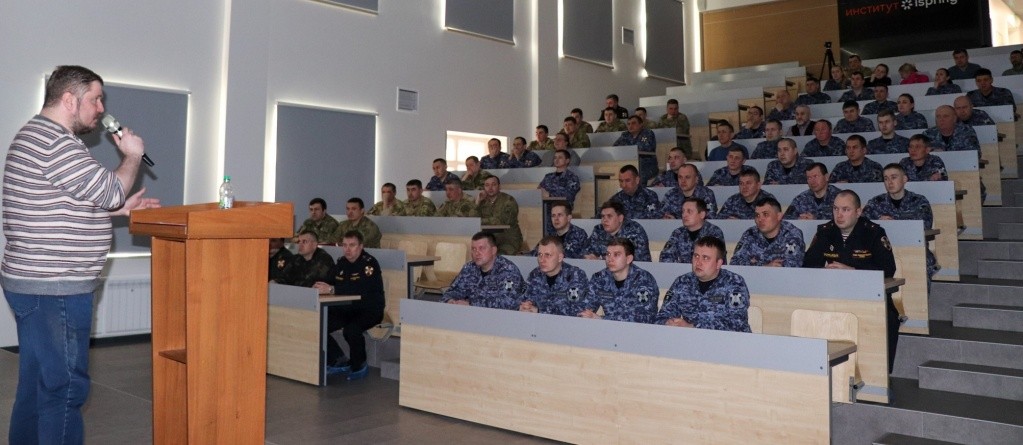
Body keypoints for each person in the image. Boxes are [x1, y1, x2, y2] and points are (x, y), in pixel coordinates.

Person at [2, 65, 161, 444]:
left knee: (38, 385)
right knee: (65, 389)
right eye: (96, 99)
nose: (101, 108)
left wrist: (113, 211)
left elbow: (58, 203)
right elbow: (109, 189)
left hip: (35, 283)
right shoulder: (56, 142)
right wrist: (132, 156)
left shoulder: (35, 136)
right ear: (70, 100)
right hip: (55, 286)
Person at [803, 190, 899, 372]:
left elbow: (888, 269)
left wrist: (852, 271)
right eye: (836, 209)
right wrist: (823, 272)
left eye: (846, 209)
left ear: (858, 212)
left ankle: (881, 375)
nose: (839, 215)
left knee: (889, 319)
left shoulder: (873, 233)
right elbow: (808, 265)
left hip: (869, 297)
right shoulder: (825, 232)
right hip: (833, 296)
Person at [312, 231, 384, 380]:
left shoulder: (369, 263)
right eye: (344, 245)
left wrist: (332, 289)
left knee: (352, 330)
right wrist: (319, 286)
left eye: (352, 245)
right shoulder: (342, 262)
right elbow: (329, 279)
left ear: (361, 246)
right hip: (346, 308)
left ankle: (359, 365)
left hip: (369, 309)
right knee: (319, 324)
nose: (347, 249)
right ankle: (339, 360)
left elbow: (361, 289)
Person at [656, 236, 751, 332]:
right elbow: (662, 316)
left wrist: (693, 327)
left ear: (718, 263)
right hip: (688, 341)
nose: (698, 262)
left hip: (728, 343)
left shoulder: (734, 282)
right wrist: (669, 323)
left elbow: (737, 324)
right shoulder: (682, 282)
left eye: (705, 258)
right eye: (696, 256)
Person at [865, 163, 939, 282]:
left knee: (922, 265)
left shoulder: (919, 201)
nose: (889, 182)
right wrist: (879, 220)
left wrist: (893, 225)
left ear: (904, 179)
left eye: (894, 177)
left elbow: (923, 227)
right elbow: (862, 225)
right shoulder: (875, 203)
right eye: (886, 179)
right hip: (883, 251)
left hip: (913, 250)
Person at [581, 238, 658, 324]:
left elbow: (644, 318)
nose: (610, 259)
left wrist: (601, 320)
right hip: (605, 331)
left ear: (628, 259)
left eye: (616, 255)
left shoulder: (644, 280)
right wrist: (587, 315)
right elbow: (584, 308)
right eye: (608, 254)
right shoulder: (599, 278)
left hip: (637, 333)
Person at [441, 232, 525, 309]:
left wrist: (471, 304)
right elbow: (453, 290)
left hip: (500, 319)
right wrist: (450, 300)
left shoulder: (508, 271)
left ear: (493, 250)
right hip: (470, 316)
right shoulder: (469, 268)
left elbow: (508, 302)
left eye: (482, 248)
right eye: (474, 249)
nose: (477, 253)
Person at [519, 236, 591, 316]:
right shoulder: (535, 274)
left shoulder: (576, 275)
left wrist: (540, 311)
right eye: (540, 255)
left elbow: (578, 311)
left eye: (547, 255)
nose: (542, 260)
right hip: (538, 325)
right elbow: (525, 300)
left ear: (560, 257)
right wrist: (525, 307)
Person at [730, 197, 805, 267]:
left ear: (779, 216)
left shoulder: (792, 234)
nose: (760, 219)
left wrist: (754, 263)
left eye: (765, 214)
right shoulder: (750, 234)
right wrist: (764, 266)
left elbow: (792, 265)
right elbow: (735, 263)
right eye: (757, 215)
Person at [660, 198, 724, 263]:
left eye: (689, 211)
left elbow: (716, 262)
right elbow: (666, 256)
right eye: (683, 211)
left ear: (702, 215)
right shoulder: (678, 232)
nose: (684, 215)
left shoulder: (714, 232)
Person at [583, 201, 652, 261]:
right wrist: (589, 257)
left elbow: (639, 259)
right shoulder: (598, 230)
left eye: (609, 216)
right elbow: (585, 251)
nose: (605, 220)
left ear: (620, 218)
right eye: (603, 216)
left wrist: (601, 259)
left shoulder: (635, 230)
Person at [477, 176, 523, 255]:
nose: (490, 188)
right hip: (490, 240)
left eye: (493, 184)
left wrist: (480, 221)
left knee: (498, 258)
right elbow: (473, 219)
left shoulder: (509, 201)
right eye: (487, 185)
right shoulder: (483, 202)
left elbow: (502, 221)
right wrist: (477, 202)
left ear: (499, 186)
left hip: (508, 239)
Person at [614, 115, 658, 183]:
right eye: (628, 124)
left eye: (633, 123)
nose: (630, 126)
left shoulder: (647, 133)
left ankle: (639, 192)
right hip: (628, 163)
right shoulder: (625, 135)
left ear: (641, 124)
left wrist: (627, 149)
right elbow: (615, 148)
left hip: (646, 164)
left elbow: (646, 148)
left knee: (637, 175)